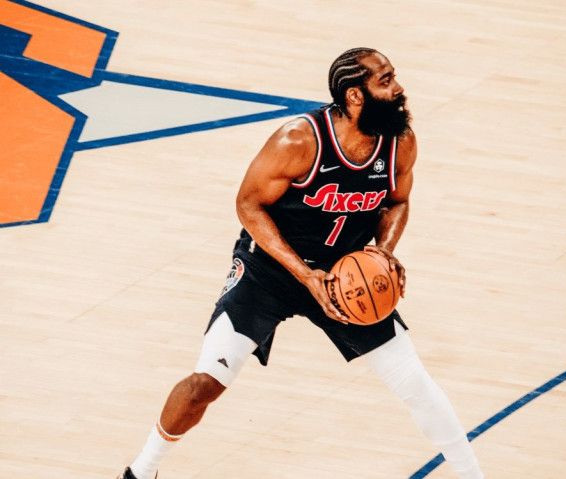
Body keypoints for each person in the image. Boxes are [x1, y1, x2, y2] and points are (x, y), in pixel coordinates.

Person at [118, 47, 484, 479]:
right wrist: (304, 273)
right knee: (206, 383)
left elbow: (398, 201)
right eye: (385, 81)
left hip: (346, 276)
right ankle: (141, 471)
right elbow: (248, 205)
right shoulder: (298, 141)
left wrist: (384, 250)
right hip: (269, 270)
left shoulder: (399, 142)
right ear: (355, 96)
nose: (399, 89)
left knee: (415, 385)